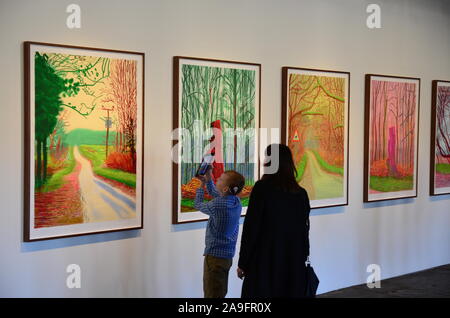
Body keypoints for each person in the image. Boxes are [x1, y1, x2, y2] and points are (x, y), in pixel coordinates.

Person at [237, 144, 311, 297]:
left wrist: (243, 262)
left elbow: (251, 228)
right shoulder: (301, 194)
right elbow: (304, 231)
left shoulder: (262, 189)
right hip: (293, 261)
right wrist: (303, 256)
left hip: (265, 261)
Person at [195, 168, 245, 298]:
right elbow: (216, 194)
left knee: (212, 294)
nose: (218, 179)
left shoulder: (218, 205)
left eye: (221, 179)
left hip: (214, 259)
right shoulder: (236, 202)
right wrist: (209, 179)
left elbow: (198, 204)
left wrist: (201, 184)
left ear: (225, 189)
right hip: (226, 257)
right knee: (220, 291)